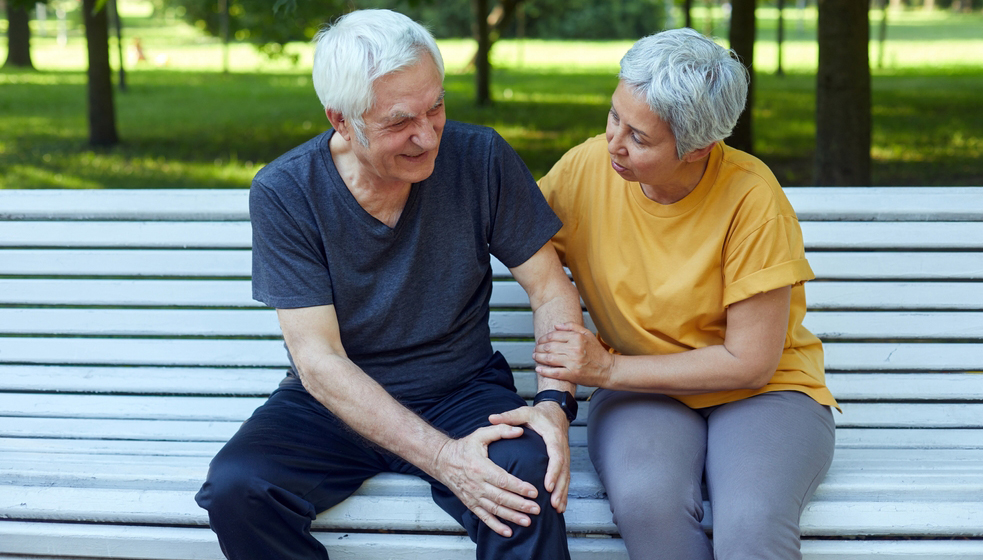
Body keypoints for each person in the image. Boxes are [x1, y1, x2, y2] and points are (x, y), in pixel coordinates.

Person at [194, 9, 582, 560]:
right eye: (400, 121)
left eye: (437, 107)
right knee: (239, 489)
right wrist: (446, 459)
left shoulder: (481, 158)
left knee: (525, 483)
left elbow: (550, 289)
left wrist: (552, 403)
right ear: (341, 120)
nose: (426, 136)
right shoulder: (286, 191)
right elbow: (320, 361)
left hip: (460, 392)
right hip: (334, 405)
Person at [527, 28, 839, 560]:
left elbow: (750, 363)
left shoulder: (752, 197)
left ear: (698, 149)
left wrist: (607, 372)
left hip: (764, 394)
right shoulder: (585, 169)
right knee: (649, 503)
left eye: (640, 138)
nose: (614, 142)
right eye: (613, 116)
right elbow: (516, 241)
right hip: (643, 397)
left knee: (751, 523)